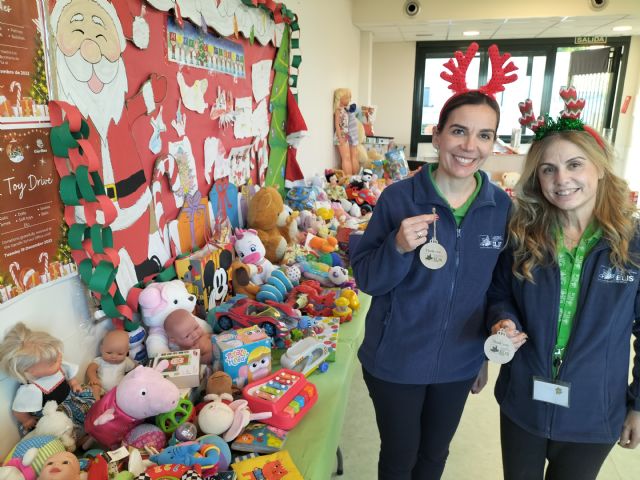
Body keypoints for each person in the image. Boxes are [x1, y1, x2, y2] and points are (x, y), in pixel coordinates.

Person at [351, 42, 518, 480]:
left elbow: (497, 289)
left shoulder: (500, 207)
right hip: (396, 361)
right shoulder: (399, 198)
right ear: (437, 134)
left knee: (434, 456)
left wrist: (484, 351)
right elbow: (367, 278)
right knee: (400, 456)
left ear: (493, 143)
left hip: (459, 362)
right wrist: (398, 248)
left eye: (484, 135)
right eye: (459, 131)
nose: (470, 146)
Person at [487, 111, 640, 479]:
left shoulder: (632, 244)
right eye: (548, 169)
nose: (562, 180)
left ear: (600, 168)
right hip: (523, 401)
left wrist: (638, 405)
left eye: (575, 165)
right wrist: (502, 320)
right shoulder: (524, 235)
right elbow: (499, 294)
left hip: (593, 412)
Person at [0, 322, 94, 435]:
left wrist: (73, 383)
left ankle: (90, 425)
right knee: (64, 431)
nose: (60, 359)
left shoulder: (58, 365)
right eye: (53, 362)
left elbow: (68, 374)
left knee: (88, 409)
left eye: (57, 354)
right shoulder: (31, 389)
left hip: (72, 399)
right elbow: (18, 410)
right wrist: (27, 420)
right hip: (55, 414)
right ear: (30, 371)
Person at [85, 329, 136, 400]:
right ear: (101, 349)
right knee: (95, 387)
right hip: (101, 390)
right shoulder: (100, 360)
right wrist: (93, 378)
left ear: (126, 352)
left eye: (120, 354)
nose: (114, 356)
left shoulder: (126, 361)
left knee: (129, 389)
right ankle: (97, 403)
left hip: (118, 391)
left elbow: (136, 368)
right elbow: (91, 368)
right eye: (109, 352)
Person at [334, 88, 359, 176]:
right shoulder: (338, 110)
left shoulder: (345, 110)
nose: (349, 100)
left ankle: (352, 176)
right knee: (346, 158)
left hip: (345, 135)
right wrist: (340, 137)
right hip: (341, 135)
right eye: (347, 98)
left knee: (347, 157)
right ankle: (349, 178)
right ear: (340, 98)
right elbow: (337, 124)